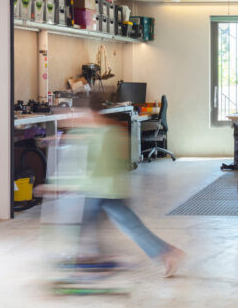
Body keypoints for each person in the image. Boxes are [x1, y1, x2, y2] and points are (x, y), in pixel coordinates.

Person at [72, 95, 184, 277]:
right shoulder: (102, 131)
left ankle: (167, 253)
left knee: (93, 223)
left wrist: (75, 185)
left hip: (105, 191)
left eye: (80, 113)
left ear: (90, 112)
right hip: (104, 190)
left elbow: (99, 170)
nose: (78, 117)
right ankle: (166, 253)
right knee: (125, 225)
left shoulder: (104, 134)